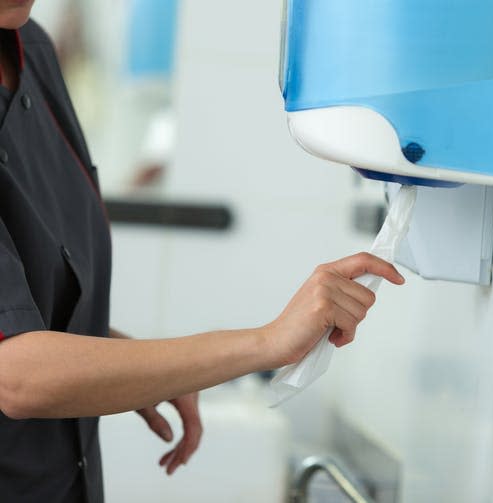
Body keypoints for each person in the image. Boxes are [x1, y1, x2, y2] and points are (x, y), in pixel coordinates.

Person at [0, 2, 405, 502]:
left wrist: (149, 369)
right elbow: (16, 375)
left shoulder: (32, 49)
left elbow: (30, 304)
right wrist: (268, 342)